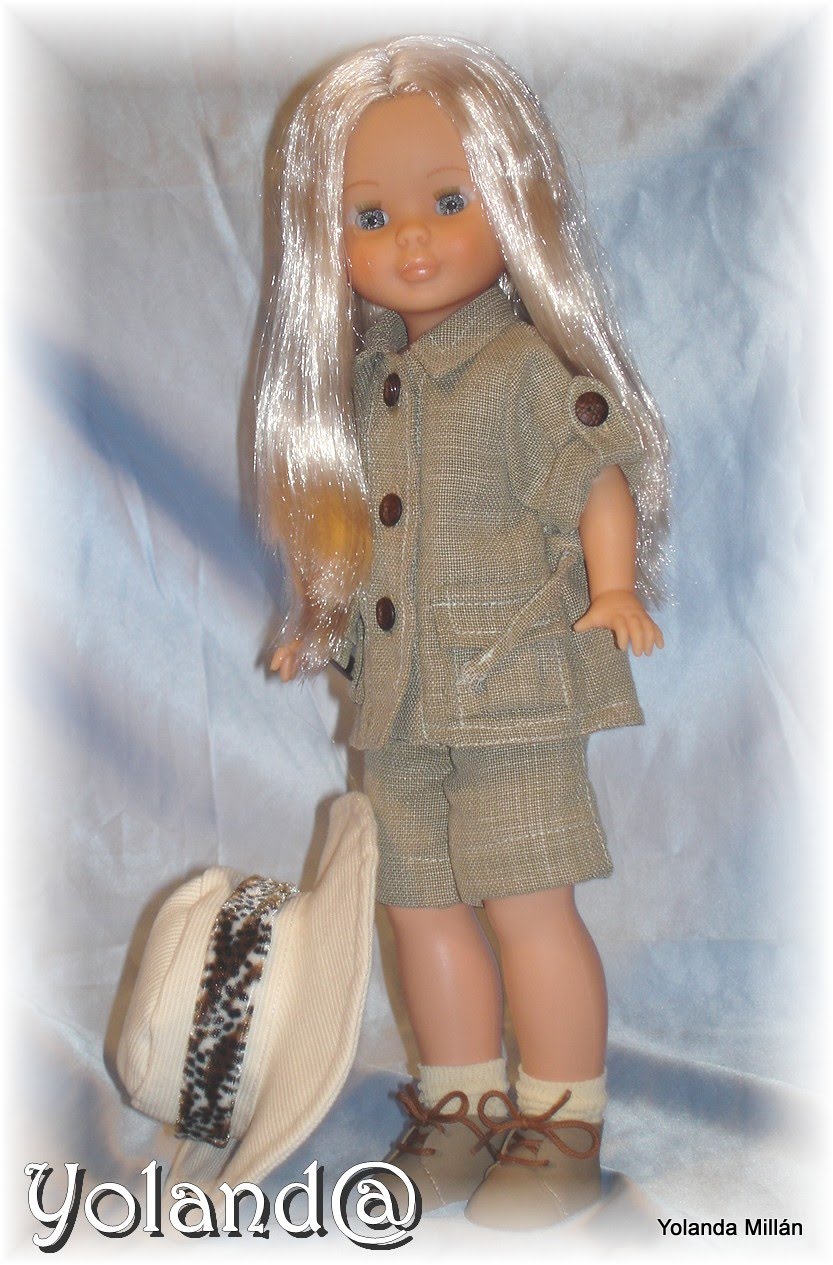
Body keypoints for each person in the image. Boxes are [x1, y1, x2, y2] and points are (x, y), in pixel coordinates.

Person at [255, 35, 669, 1229]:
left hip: (513, 686)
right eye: (368, 217)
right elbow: (350, 527)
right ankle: (459, 1103)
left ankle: (560, 1121)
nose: (411, 241)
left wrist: (613, 585)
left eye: (448, 201)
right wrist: (315, 618)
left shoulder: (524, 368)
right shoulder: (363, 382)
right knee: (418, 901)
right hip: (396, 699)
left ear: (516, 202)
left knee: (525, 899)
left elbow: (592, 477)